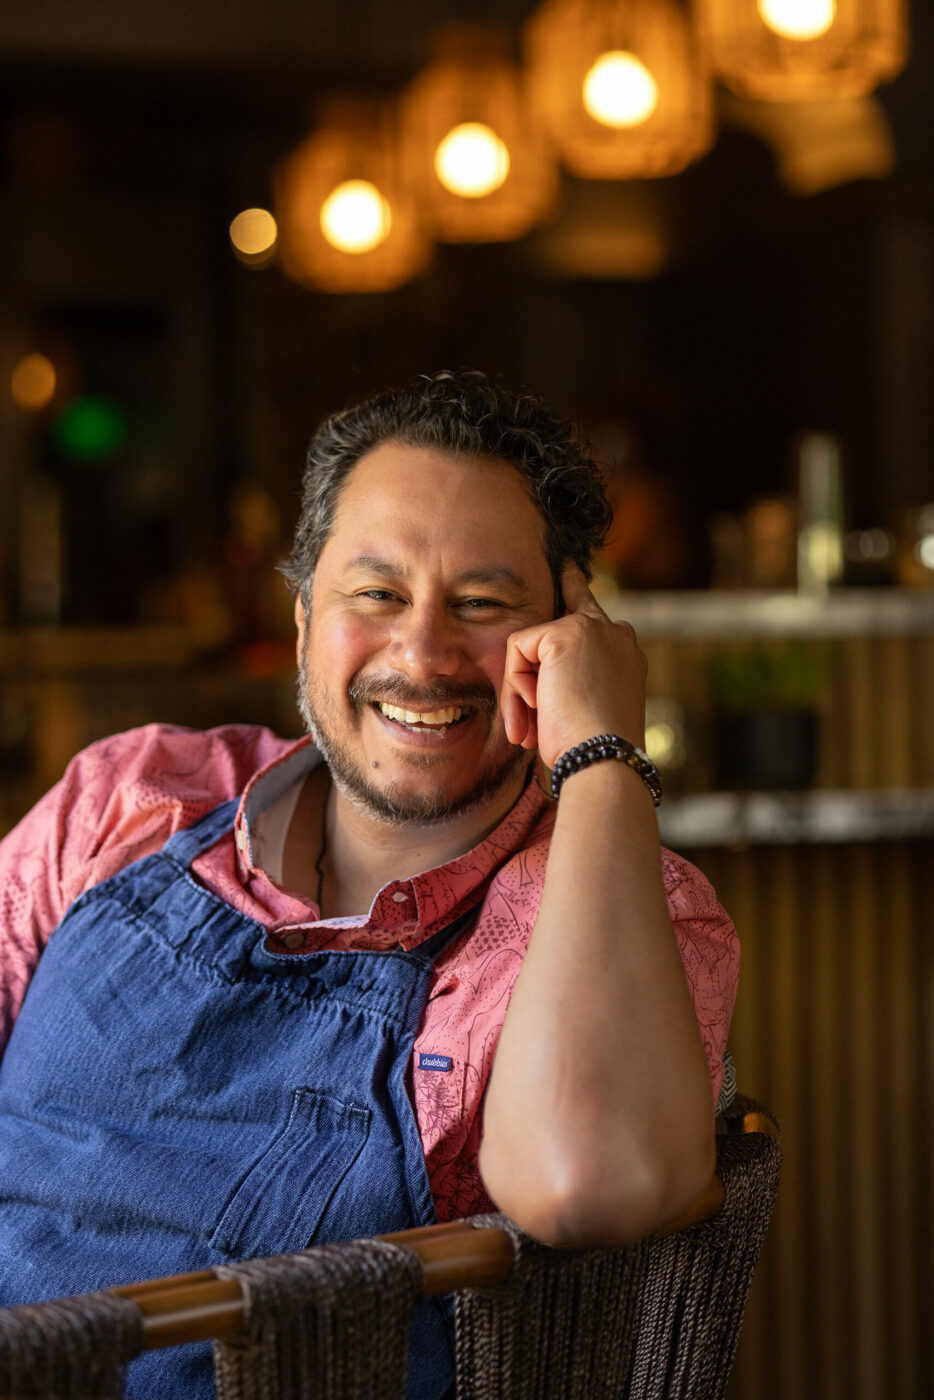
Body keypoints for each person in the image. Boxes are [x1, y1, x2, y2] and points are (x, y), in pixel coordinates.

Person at [0, 369, 739, 1399]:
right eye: (377, 594)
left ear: (569, 630)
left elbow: (590, 1185)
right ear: (305, 616)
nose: (423, 654)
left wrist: (602, 753)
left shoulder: (626, 908)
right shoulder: (134, 796)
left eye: (482, 603)